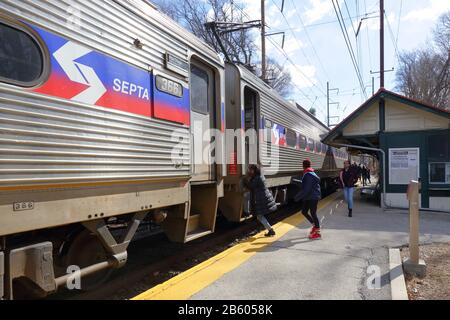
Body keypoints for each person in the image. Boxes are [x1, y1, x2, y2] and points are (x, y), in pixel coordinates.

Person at [243, 164, 277, 237]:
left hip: (261, 198)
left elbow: (251, 186)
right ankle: (270, 230)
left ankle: (271, 230)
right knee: (259, 216)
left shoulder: (257, 178)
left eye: (251, 169)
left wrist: (245, 180)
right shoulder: (259, 176)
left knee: (259, 216)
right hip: (262, 197)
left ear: (255, 170)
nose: (249, 171)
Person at [294, 159, 322, 240]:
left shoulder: (308, 174)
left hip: (312, 197)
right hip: (310, 196)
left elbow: (307, 188)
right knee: (304, 212)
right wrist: (297, 182)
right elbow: (307, 184)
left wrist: (297, 197)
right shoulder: (309, 172)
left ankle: (317, 232)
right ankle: (314, 225)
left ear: (303, 165)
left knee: (313, 213)